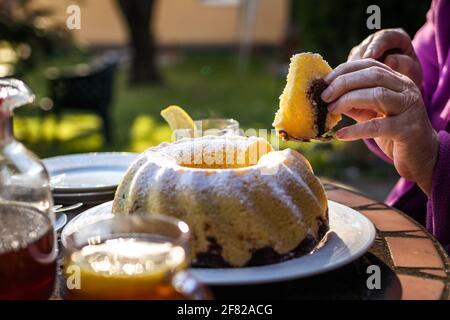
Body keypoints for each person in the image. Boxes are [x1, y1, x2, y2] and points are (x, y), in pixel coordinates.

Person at [321, 0, 450, 252]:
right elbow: (414, 137)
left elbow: (428, 148)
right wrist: (396, 102)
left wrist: (434, 159)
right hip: (411, 230)